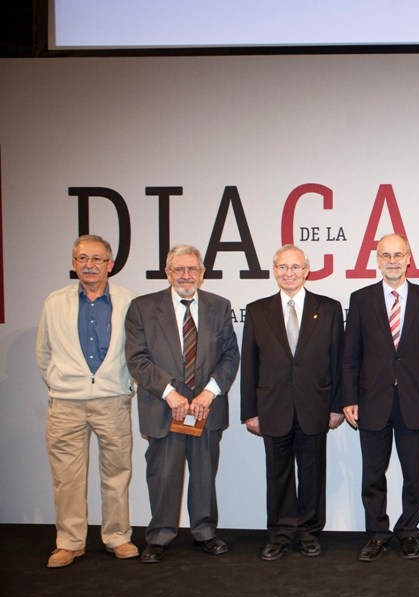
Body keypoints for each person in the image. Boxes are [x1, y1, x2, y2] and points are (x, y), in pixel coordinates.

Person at [125, 245, 240, 563]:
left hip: (206, 409)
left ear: (202, 273)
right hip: (164, 408)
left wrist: (209, 393)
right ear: (168, 273)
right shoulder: (142, 308)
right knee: (163, 476)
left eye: (192, 269)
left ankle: (204, 532)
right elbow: (137, 359)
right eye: (179, 269)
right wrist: (169, 393)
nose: (186, 275)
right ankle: (159, 536)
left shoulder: (219, 306)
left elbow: (230, 355)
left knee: (204, 474)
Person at [35, 234, 138, 568]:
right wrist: (60, 383)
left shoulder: (128, 301)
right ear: (73, 263)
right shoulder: (55, 302)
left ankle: (118, 536)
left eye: (97, 259)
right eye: (83, 259)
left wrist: (126, 383)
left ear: (110, 264)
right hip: (66, 403)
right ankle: (69, 542)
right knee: (66, 476)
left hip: (113, 400)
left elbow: (138, 351)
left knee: (117, 473)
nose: (90, 265)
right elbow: (44, 353)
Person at [342, 234, 419, 562]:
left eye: (398, 255)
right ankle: (377, 533)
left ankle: (409, 531)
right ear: (377, 260)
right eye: (386, 255)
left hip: (415, 400)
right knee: (373, 474)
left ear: (409, 258)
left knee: (414, 474)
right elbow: (350, 355)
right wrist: (349, 397)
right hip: (372, 401)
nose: (393, 261)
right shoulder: (361, 299)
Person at [241, 244, 345, 561]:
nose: (289, 273)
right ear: (274, 271)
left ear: (307, 270)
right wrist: (249, 411)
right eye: (283, 267)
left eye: (295, 267)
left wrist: (337, 406)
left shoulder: (328, 309)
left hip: (316, 406)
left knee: (313, 474)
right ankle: (281, 533)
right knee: (278, 475)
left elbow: (338, 362)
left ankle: (309, 533)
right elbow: (250, 364)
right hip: (272, 408)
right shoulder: (257, 311)